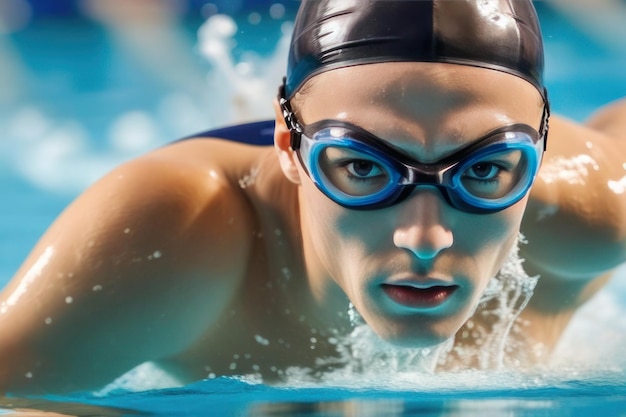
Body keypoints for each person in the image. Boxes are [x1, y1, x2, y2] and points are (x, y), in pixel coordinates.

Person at [1, 0, 625, 394]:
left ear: (537, 150)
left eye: (485, 172)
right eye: (362, 168)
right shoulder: (173, 231)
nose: (427, 238)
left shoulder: (591, 209)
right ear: (288, 143)